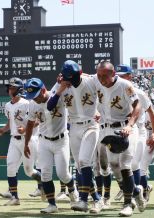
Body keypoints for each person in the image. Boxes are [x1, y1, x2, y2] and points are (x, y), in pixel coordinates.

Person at [47, 60, 103, 214]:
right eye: (68, 78)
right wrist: (60, 89)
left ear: (80, 73)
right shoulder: (62, 86)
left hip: (91, 124)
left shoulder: (91, 80)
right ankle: (97, 200)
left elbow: (105, 91)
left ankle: (84, 201)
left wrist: (101, 111)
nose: (72, 81)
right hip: (74, 127)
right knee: (80, 166)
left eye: (74, 77)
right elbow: (49, 106)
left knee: (85, 161)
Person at [96, 60, 146, 217]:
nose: (101, 78)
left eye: (104, 75)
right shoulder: (97, 83)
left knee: (125, 165)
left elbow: (138, 105)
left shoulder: (125, 85)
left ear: (112, 73)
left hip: (126, 127)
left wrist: (130, 125)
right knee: (113, 165)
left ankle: (128, 204)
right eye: (99, 75)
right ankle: (136, 190)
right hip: (108, 129)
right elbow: (83, 76)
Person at [23, 77, 79, 214]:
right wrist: (26, 143)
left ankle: (73, 190)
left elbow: (71, 86)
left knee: (63, 174)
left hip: (61, 140)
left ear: (43, 90)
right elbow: (30, 124)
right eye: (31, 96)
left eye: (36, 95)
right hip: (44, 141)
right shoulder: (32, 104)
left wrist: (63, 80)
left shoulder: (58, 95)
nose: (34, 99)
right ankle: (52, 204)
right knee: (45, 174)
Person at [115, 64, 154, 202]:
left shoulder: (139, 93)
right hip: (122, 130)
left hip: (138, 130)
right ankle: (137, 189)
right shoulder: (114, 90)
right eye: (118, 75)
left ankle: (138, 193)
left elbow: (151, 113)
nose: (120, 78)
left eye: (123, 75)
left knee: (134, 164)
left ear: (130, 76)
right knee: (119, 164)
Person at [0, 77, 42, 206]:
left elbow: (38, 121)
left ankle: (43, 183)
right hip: (14, 140)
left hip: (28, 140)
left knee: (29, 171)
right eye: (9, 87)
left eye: (13, 87)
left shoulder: (27, 103)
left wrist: (26, 129)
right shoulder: (8, 105)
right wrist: (3, 130)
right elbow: (9, 123)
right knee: (10, 167)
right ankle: (15, 197)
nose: (10, 89)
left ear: (20, 89)